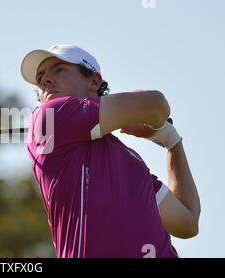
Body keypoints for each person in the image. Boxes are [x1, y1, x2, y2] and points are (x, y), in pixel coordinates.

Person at [20, 44, 201, 258]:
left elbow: (187, 222)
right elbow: (156, 103)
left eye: (59, 69)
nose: (45, 81)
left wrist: (171, 141)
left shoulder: (131, 160)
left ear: (94, 81)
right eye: (41, 77)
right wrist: (151, 122)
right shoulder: (49, 116)